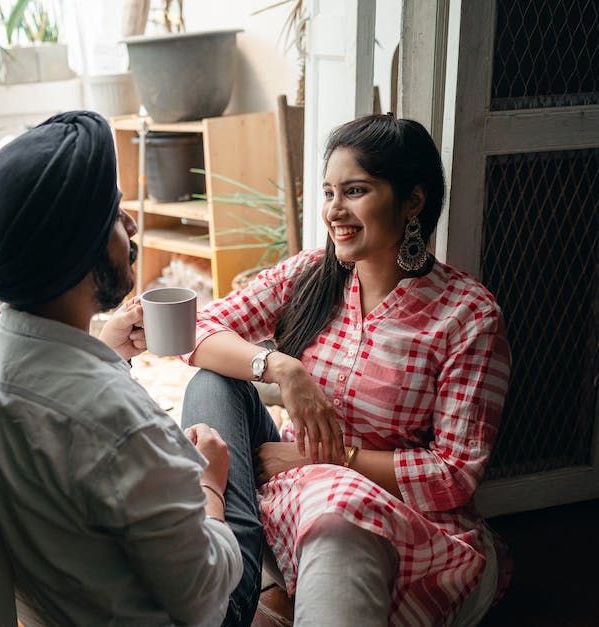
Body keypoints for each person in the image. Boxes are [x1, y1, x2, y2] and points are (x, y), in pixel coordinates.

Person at [180, 114, 512, 627]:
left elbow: (454, 474)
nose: (335, 210)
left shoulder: (466, 315)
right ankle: (234, 583)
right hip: (290, 495)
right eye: (329, 192)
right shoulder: (312, 275)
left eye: (355, 190)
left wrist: (333, 459)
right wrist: (283, 368)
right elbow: (195, 330)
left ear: (413, 202)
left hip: (399, 526)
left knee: (339, 508)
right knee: (213, 382)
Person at [0, 110, 242, 626]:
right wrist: (210, 482)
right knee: (222, 392)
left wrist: (104, 351)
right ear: (79, 251)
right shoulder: (120, 422)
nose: (132, 226)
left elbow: (60, 399)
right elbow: (205, 603)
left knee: (220, 393)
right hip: (203, 607)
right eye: (117, 215)